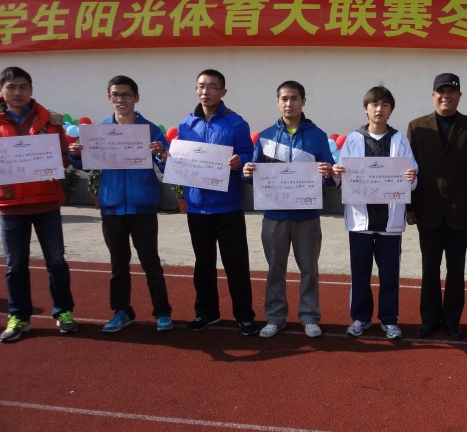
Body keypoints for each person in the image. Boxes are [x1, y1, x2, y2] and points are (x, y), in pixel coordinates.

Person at [0, 66, 77, 342]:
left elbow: (64, 158)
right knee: (16, 265)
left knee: (56, 262)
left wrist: (59, 163)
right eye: (11, 87)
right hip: (10, 204)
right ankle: (19, 316)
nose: (17, 92)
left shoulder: (50, 121)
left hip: (46, 201)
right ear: (1, 90)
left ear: (31, 90)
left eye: (23, 87)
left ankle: (64, 312)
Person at [68, 75, 173, 333]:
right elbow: (85, 165)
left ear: (136, 98)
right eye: (116, 94)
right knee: (118, 264)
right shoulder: (98, 130)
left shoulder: (150, 130)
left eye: (126, 94)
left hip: (142, 206)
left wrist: (161, 153)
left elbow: (167, 165)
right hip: (112, 205)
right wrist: (77, 155)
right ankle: (122, 311)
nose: (121, 99)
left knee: (150, 262)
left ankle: (162, 312)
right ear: (109, 98)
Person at [243, 80, 335, 339]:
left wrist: (328, 173)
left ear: (303, 101)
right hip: (274, 215)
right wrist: (247, 172)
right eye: (284, 98)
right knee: (275, 269)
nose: (289, 103)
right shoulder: (265, 136)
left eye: (294, 98)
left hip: (307, 215)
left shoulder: (318, 136)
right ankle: (275, 317)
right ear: (277, 102)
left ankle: (309, 317)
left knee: (309, 269)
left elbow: (330, 178)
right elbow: (253, 175)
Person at [406, 73, 467, 340]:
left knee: (456, 269)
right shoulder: (417, 127)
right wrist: (409, 207)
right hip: (427, 210)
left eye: (451, 91)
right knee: (429, 268)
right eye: (441, 92)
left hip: (460, 210)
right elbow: (409, 170)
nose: (446, 96)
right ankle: (429, 319)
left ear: (459, 96)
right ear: (433, 95)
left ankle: (453, 321)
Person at [332, 86, 417, 340]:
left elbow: (413, 178)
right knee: (360, 273)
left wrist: (411, 178)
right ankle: (360, 318)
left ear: (391, 110)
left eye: (384, 105)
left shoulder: (400, 140)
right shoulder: (353, 139)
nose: (379, 109)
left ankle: (389, 320)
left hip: (391, 221)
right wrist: (337, 173)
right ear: (366, 108)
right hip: (360, 221)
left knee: (389, 275)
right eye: (374, 104)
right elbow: (340, 177)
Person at [178, 69, 257, 335]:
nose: (206, 91)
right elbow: (180, 161)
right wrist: (166, 158)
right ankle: (206, 313)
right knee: (203, 264)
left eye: (212, 87)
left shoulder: (236, 123)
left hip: (228, 206)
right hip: (197, 206)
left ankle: (244, 316)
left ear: (223, 92)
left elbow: (248, 154)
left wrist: (240, 160)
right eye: (201, 86)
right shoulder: (186, 125)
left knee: (236, 264)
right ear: (195, 90)